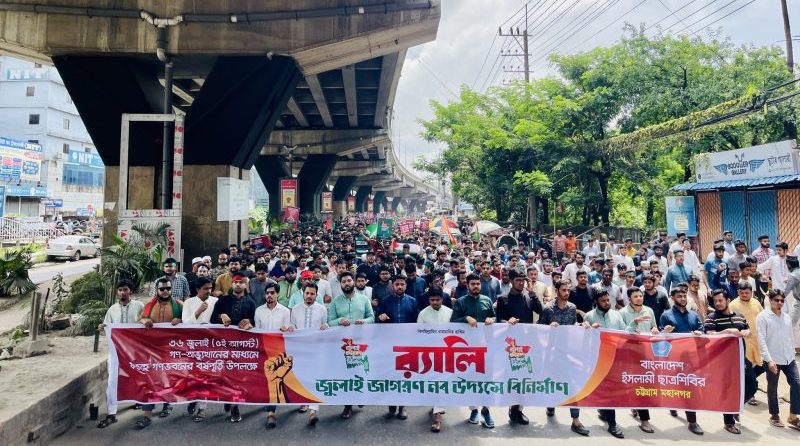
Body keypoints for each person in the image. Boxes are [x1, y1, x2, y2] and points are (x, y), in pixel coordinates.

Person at [539, 279, 589, 436]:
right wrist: (549, 328)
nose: (567, 293)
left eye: (568, 290)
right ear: (556, 291)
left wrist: (582, 326)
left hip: (568, 354)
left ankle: (575, 421)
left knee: (572, 385)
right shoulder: (547, 309)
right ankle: (551, 405)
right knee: (552, 383)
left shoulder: (572, 308)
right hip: (551, 355)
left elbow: (573, 326)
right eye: (563, 290)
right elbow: (539, 330)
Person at [704, 288, 756, 434]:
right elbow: (708, 335)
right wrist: (726, 332)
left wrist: (746, 332)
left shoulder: (740, 317)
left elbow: (747, 331)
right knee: (728, 389)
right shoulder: (711, 318)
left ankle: (735, 407)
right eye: (715, 301)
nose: (717, 303)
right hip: (723, 360)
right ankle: (728, 423)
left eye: (720, 300)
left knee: (752, 384)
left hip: (740, 357)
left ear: (728, 300)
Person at [496, 269, 544, 425]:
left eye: (523, 280)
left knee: (525, 378)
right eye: (517, 280)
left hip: (527, 344)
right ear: (511, 281)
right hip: (511, 346)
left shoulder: (528, 297)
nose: (521, 283)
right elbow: (498, 320)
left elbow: (541, 311)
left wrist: (533, 294)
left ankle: (519, 410)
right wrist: (506, 322)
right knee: (513, 378)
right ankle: (512, 407)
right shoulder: (502, 299)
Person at [96, 279, 144, 428]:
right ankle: (111, 413)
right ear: (117, 292)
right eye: (120, 290)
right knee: (113, 380)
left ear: (131, 292)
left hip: (135, 350)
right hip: (116, 350)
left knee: (136, 376)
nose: (123, 292)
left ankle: (138, 401)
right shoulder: (112, 309)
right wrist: (102, 327)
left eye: (125, 289)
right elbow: (107, 326)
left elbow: (146, 321)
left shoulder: (139, 306)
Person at [450, 273, 496, 428]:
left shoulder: (487, 300)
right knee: (470, 380)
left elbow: (495, 318)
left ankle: (486, 411)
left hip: (486, 348)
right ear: (467, 285)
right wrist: (465, 318)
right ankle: (474, 410)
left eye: (478, 284)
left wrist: (492, 319)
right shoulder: (461, 302)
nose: (476, 286)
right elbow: (452, 322)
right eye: (473, 284)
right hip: (467, 350)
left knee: (487, 380)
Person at [135, 278, 182, 428]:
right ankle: (147, 415)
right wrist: (144, 321)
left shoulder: (179, 305)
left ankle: (167, 404)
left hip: (171, 350)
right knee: (150, 380)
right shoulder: (149, 306)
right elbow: (139, 320)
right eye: (162, 289)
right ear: (157, 290)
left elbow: (190, 324)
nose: (165, 291)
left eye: (168, 288)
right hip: (152, 350)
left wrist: (180, 320)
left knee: (169, 379)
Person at [210, 273, 257, 423]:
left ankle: (235, 406)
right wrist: (221, 316)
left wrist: (249, 322)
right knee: (225, 375)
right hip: (223, 345)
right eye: (235, 282)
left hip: (242, 346)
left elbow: (255, 321)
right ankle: (227, 398)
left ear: (245, 285)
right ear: (232, 284)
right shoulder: (222, 301)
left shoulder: (251, 302)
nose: (238, 284)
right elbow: (212, 319)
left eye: (241, 282)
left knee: (238, 376)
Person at [328, 271, 374, 419]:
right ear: (340, 285)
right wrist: (339, 320)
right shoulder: (335, 302)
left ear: (353, 282)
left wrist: (364, 321)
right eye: (344, 282)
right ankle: (347, 406)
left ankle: (360, 396)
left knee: (361, 372)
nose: (347, 283)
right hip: (343, 344)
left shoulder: (364, 299)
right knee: (346, 374)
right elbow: (329, 322)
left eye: (349, 280)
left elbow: (371, 318)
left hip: (361, 343)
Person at [659, 287, 705, 435]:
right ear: (672, 298)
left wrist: (700, 332)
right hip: (674, 359)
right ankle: (676, 407)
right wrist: (664, 332)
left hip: (692, 359)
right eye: (679, 296)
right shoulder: (666, 315)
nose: (683, 299)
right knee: (677, 386)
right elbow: (660, 337)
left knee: (689, 388)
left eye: (684, 296)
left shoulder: (694, 315)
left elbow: (702, 330)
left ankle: (692, 421)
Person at [582, 290, 625, 438]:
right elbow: (584, 339)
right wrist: (589, 329)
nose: (607, 303)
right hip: (598, 359)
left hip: (614, 358)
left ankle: (604, 411)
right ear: (596, 302)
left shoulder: (616, 315)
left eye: (608, 300)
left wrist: (634, 327)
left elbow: (625, 333)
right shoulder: (589, 316)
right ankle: (612, 425)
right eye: (603, 301)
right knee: (607, 390)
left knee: (610, 390)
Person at [376, 275, 419, 420]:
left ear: (406, 286)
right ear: (392, 286)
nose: (399, 286)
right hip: (389, 346)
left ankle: (402, 406)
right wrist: (380, 317)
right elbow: (377, 319)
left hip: (407, 345)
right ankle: (391, 403)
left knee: (405, 376)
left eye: (402, 284)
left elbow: (417, 323)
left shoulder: (412, 301)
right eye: (397, 284)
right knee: (390, 375)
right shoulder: (385, 301)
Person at [756, 289, 800, 429]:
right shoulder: (763, 317)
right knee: (773, 388)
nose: (780, 303)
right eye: (777, 300)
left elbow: (789, 336)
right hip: (772, 359)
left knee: (797, 384)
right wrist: (769, 360)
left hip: (788, 357)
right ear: (770, 300)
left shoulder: (786, 317)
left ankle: (793, 416)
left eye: (782, 300)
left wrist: (793, 350)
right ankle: (774, 415)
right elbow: (761, 340)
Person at [251, 283, 293, 428]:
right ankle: (269, 406)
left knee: (275, 379)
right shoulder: (259, 311)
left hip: (278, 349)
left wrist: (286, 329)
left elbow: (288, 329)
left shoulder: (285, 311)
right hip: (263, 349)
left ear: (277, 294)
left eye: (272, 293)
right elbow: (257, 331)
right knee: (265, 380)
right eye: (267, 293)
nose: (269, 295)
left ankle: (271, 413)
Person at [289, 282, 327, 425]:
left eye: (312, 293)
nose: (309, 296)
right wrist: (290, 328)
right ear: (303, 294)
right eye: (307, 293)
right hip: (300, 349)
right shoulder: (295, 309)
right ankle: (303, 402)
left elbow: (326, 326)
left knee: (315, 378)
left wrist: (326, 326)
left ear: (316, 295)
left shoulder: (322, 309)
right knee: (302, 378)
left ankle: (313, 411)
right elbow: (292, 325)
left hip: (316, 349)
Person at [730, 281, 765, 406]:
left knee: (762, 366)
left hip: (758, 341)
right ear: (738, 292)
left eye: (747, 293)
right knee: (747, 369)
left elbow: (763, 318)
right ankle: (750, 394)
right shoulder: (733, 305)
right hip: (743, 343)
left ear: (752, 293)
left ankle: (745, 386)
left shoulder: (756, 302)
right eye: (742, 293)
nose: (744, 295)